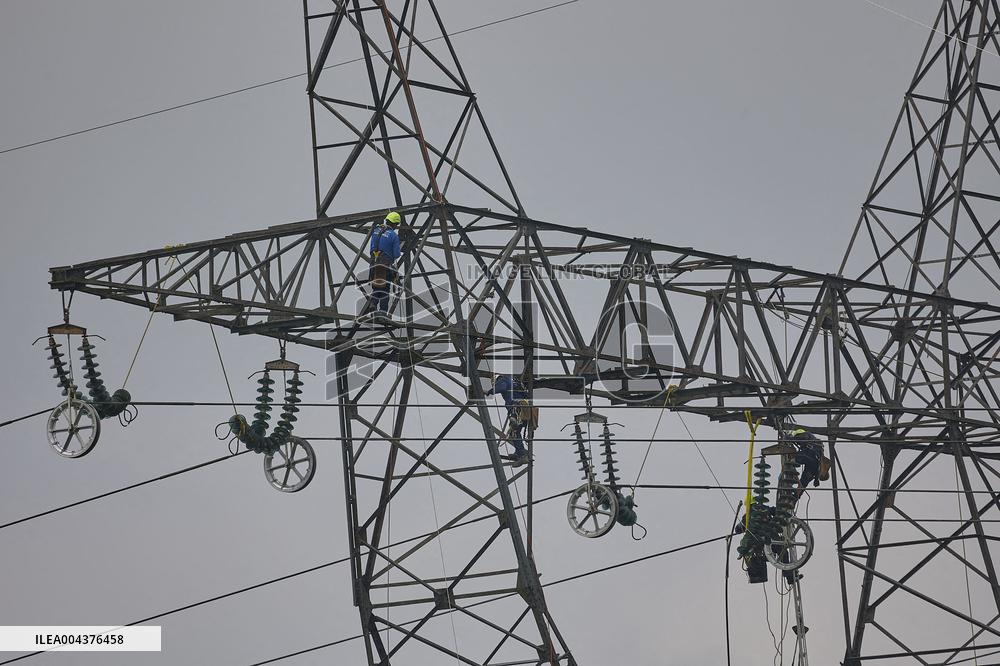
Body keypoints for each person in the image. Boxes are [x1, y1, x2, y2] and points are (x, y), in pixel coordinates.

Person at [486, 374, 531, 466]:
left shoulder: (502, 380)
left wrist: (491, 391)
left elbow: (502, 387)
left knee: (514, 430)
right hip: (526, 409)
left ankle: (522, 455)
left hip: (516, 407)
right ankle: (519, 452)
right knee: (515, 432)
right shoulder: (516, 383)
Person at [369, 211, 402, 320]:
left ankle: (373, 303)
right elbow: (397, 254)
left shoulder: (376, 231)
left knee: (377, 286)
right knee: (385, 289)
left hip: (374, 263)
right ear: (395, 224)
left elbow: (371, 248)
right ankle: (383, 314)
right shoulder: (393, 235)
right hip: (385, 264)